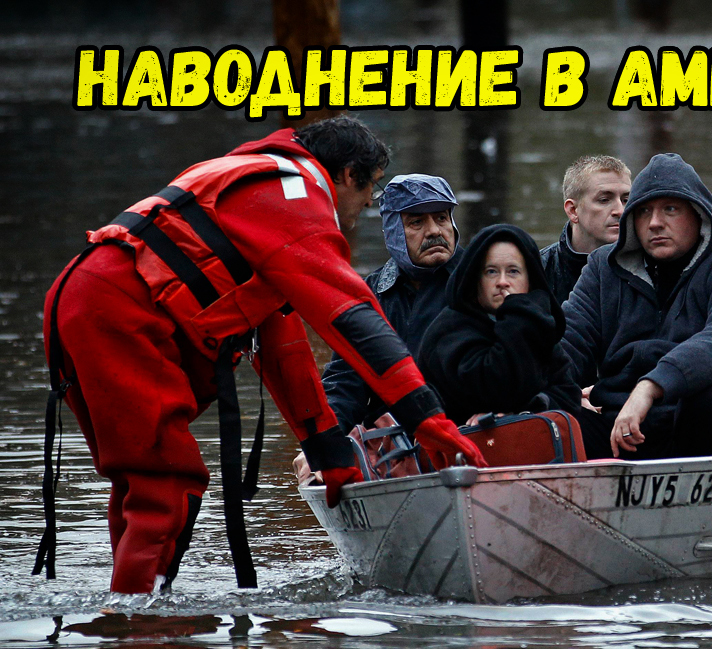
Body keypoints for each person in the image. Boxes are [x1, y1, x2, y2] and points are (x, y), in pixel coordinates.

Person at [40, 116, 481, 594]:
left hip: (79, 300)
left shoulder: (257, 182)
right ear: (348, 174)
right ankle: (142, 634)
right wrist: (426, 416)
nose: (370, 203)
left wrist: (327, 450)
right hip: (117, 314)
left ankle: (131, 616)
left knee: (141, 481)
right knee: (166, 482)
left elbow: (284, 347)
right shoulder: (295, 197)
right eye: (369, 187)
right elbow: (351, 315)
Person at [561, 153, 712, 461]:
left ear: (698, 215)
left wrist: (650, 387)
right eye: (643, 212)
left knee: (706, 396)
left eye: (670, 209)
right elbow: (567, 341)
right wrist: (544, 391)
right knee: (553, 415)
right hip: (627, 431)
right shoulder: (603, 267)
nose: (655, 223)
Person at [320, 173, 464, 437]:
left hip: (469, 429)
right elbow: (345, 382)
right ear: (394, 232)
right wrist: (323, 443)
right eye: (417, 222)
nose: (434, 231)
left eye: (441, 218)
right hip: (393, 440)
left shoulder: (480, 280)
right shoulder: (369, 294)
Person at [417, 224, 588, 433]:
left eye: (513, 271)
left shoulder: (534, 324)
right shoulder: (449, 331)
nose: (502, 282)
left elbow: (568, 396)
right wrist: (518, 314)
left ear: (530, 280)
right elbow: (497, 391)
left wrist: (527, 411)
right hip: (460, 453)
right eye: (491, 272)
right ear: (476, 280)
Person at [540, 155, 631, 304]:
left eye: (626, 200)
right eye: (604, 200)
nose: (620, 211)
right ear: (573, 211)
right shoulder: (538, 271)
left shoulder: (648, 269)